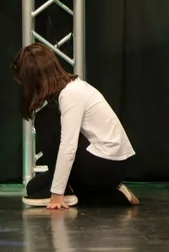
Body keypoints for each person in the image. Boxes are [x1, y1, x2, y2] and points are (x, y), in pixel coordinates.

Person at [12, 43, 138, 209]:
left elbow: (68, 146)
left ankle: (69, 191)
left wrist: (57, 194)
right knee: (33, 187)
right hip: (108, 164)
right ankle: (112, 194)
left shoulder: (71, 94)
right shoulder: (71, 90)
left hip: (108, 165)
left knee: (44, 119)